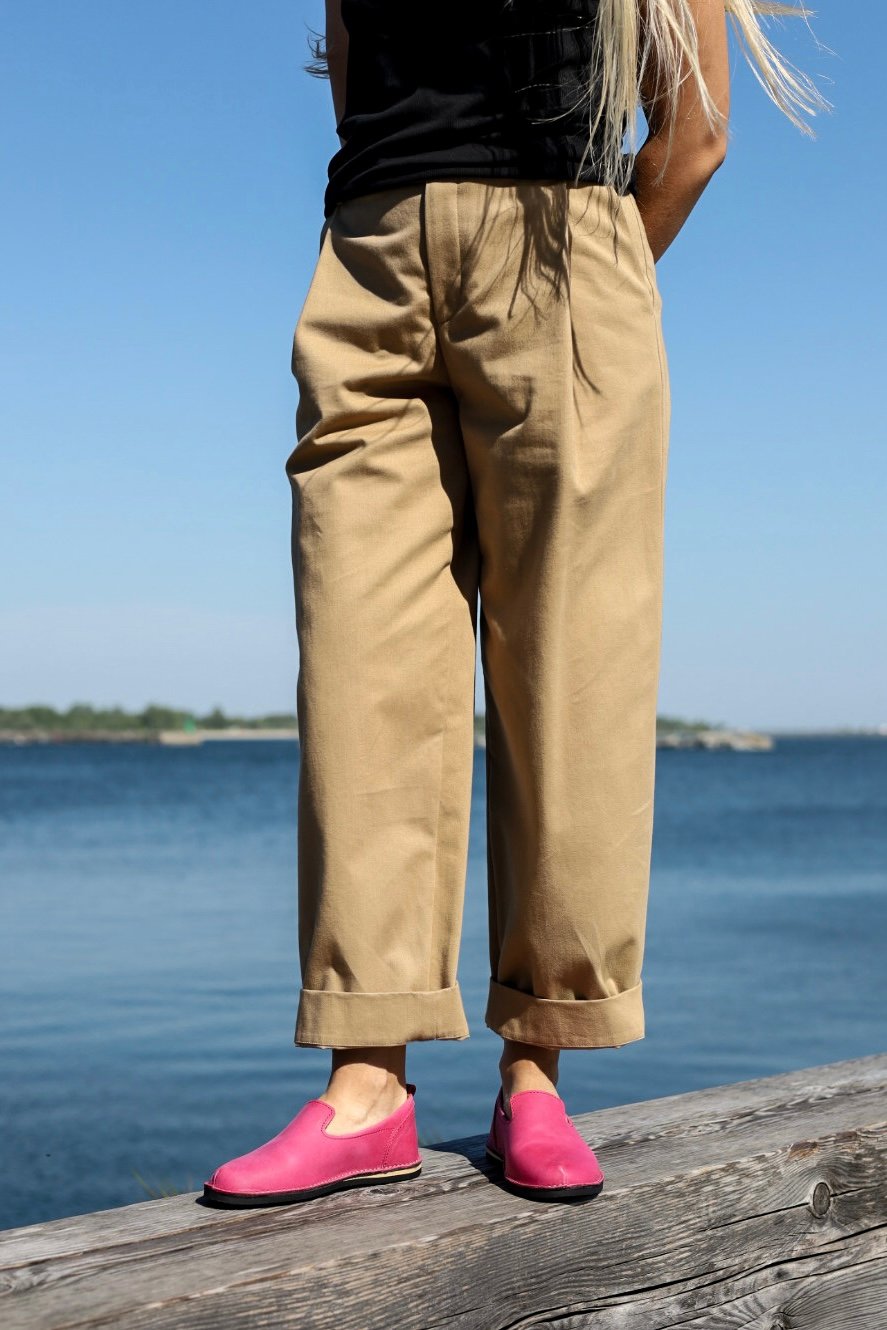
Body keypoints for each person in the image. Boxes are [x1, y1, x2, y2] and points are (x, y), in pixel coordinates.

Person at [204, 0, 828, 1207]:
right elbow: (355, 71)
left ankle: (535, 1067)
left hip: (564, 251)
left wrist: (586, 297)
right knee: (358, 657)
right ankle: (365, 1085)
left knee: (568, 673)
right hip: (371, 259)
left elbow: (691, 130)